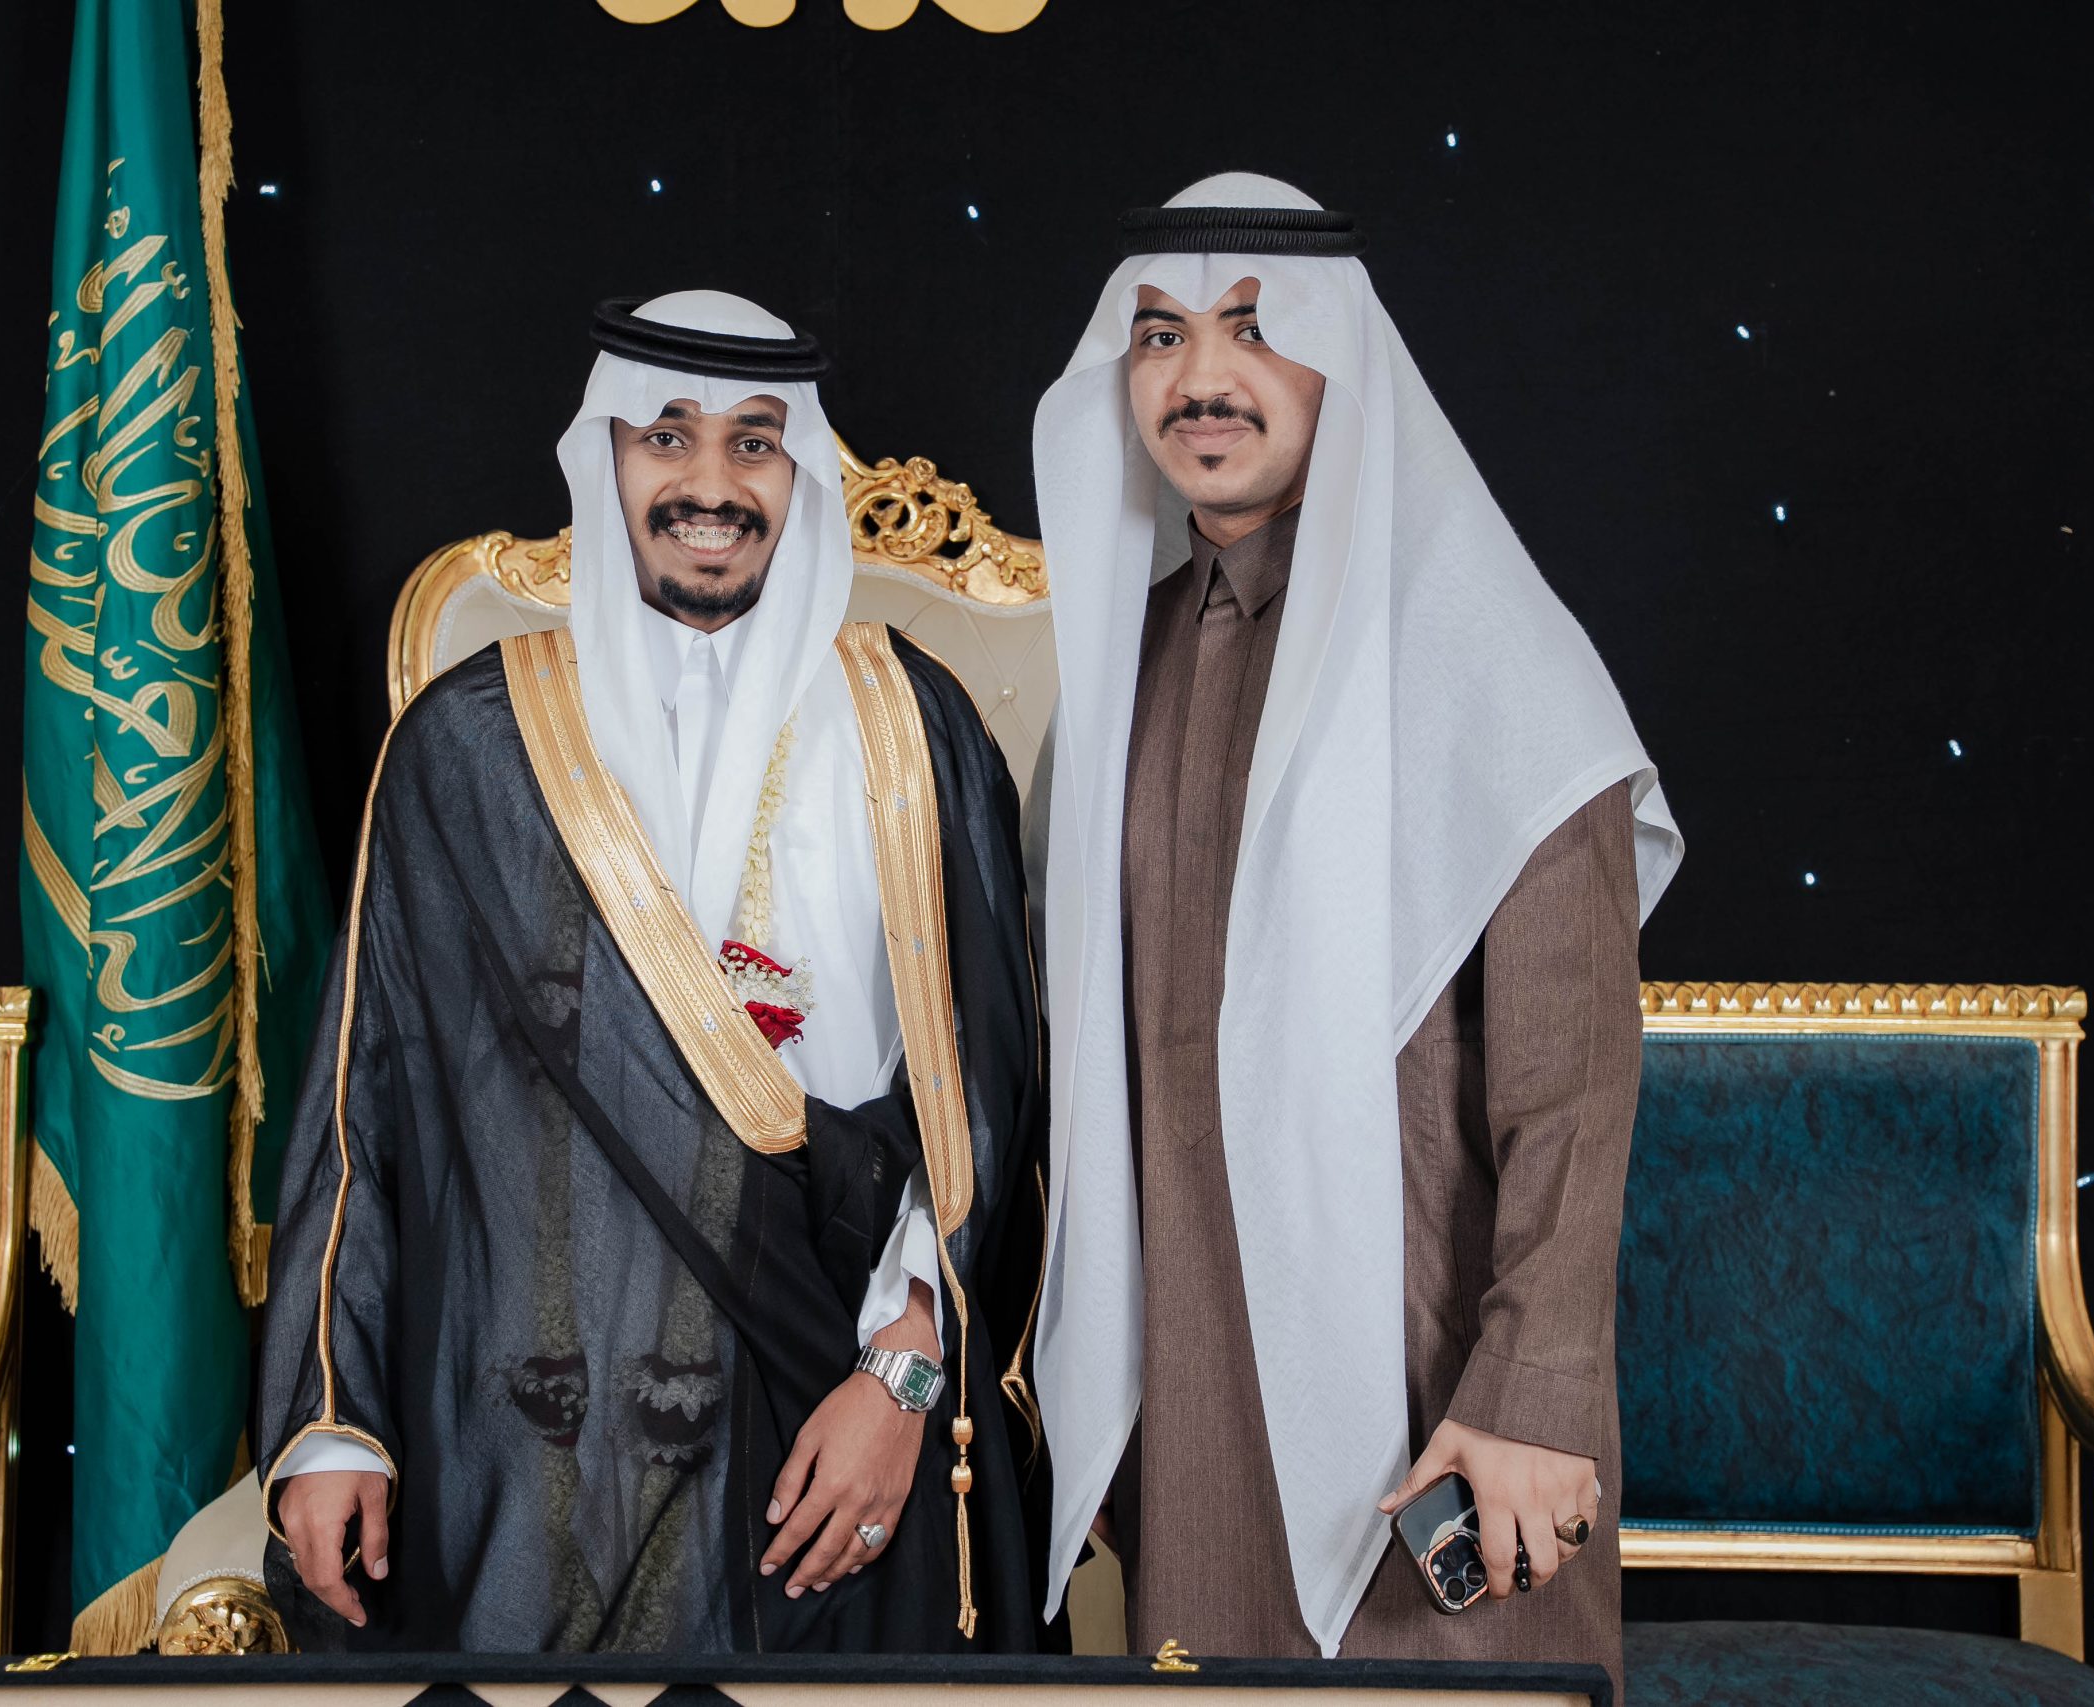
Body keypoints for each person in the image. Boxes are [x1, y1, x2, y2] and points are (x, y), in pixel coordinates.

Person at [256, 290, 1048, 1653]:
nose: (711, 484)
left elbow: (993, 1106)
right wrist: (332, 1423)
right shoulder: (471, 744)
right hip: (531, 1434)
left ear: (800, 471)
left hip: (836, 1411)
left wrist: (904, 1380)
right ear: (604, 458)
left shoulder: (916, 727)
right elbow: (362, 1101)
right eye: (666, 435)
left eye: (755, 442)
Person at [1028, 175, 1683, 1696]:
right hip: (1193, 1387)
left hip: (1438, 1396)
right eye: (1161, 335)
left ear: (1345, 359)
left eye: (1257, 330)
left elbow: (1572, 1083)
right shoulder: (1129, 671)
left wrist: (1533, 1395)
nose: (1203, 376)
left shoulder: (1490, 657)